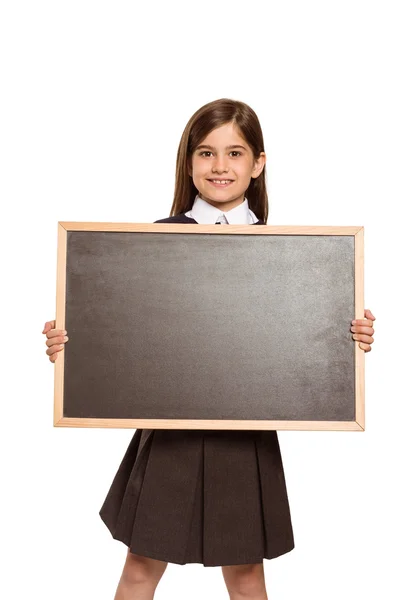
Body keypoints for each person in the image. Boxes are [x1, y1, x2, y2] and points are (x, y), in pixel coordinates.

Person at [42, 98, 376, 600]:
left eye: (235, 153)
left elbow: (301, 347)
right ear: (189, 163)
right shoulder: (152, 243)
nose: (220, 166)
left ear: (258, 164)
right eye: (206, 153)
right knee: (140, 569)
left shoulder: (290, 254)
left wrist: (347, 340)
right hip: (168, 429)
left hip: (245, 433)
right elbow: (116, 334)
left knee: (245, 578)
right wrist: (71, 345)